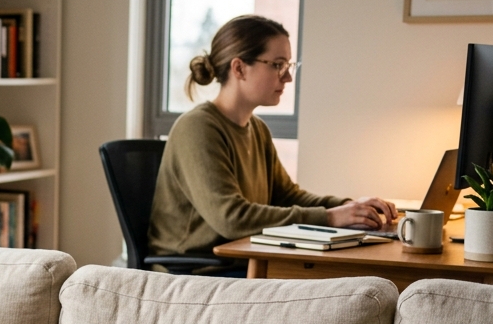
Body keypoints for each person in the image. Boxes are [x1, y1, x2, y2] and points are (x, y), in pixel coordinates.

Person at [149, 14, 396, 263]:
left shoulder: (257, 129)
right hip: (195, 273)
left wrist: (351, 208)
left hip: (242, 262)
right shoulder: (198, 127)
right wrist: (331, 217)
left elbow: (287, 196)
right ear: (239, 68)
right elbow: (232, 218)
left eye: (289, 66)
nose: (287, 77)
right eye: (278, 65)